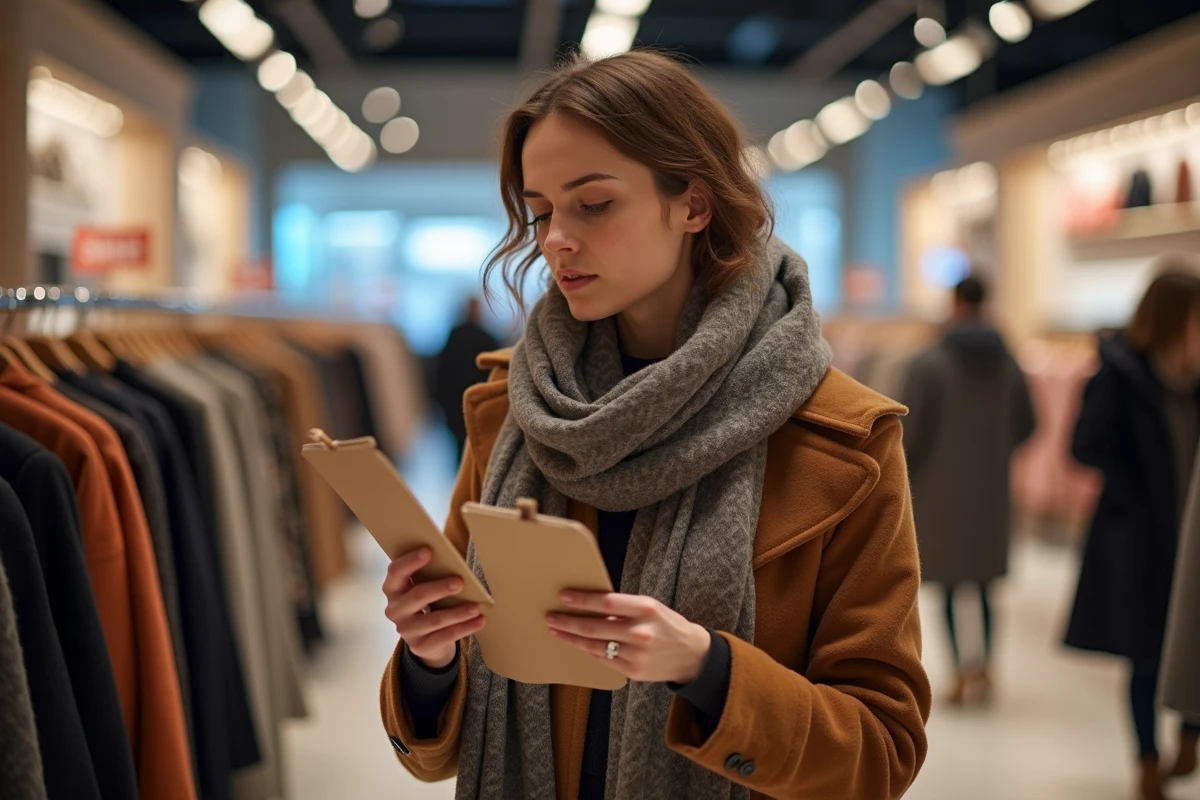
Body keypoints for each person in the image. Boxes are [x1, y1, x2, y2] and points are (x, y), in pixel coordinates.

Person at [379, 51, 931, 800]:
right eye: (541, 212)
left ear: (694, 205)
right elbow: (441, 744)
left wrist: (708, 669)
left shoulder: (840, 440)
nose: (555, 238)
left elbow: (882, 754)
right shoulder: (519, 411)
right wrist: (430, 658)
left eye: (595, 203)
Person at [1066, 264, 1200, 800]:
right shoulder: (1121, 373)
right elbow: (1084, 444)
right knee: (1145, 654)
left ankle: (1189, 736)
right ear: (1173, 317)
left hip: (1191, 538)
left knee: (1192, 639)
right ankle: (1146, 758)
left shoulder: (1195, 379)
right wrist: (1131, 490)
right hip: (1140, 537)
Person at [901, 275, 1035, 706]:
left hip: (941, 494)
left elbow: (909, 434)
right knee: (985, 584)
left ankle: (961, 670)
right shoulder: (1009, 363)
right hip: (991, 491)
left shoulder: (929, 362)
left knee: (949, 585)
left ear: (956, 302)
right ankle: (987, 667)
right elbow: (1028, 424)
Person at [434, 298, 501, 461]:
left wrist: (439, 401)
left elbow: (441, 372)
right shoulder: (487, 338)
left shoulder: (454, 336)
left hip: (455, 403)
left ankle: (462, 473)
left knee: (459, 447)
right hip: (480, 403)